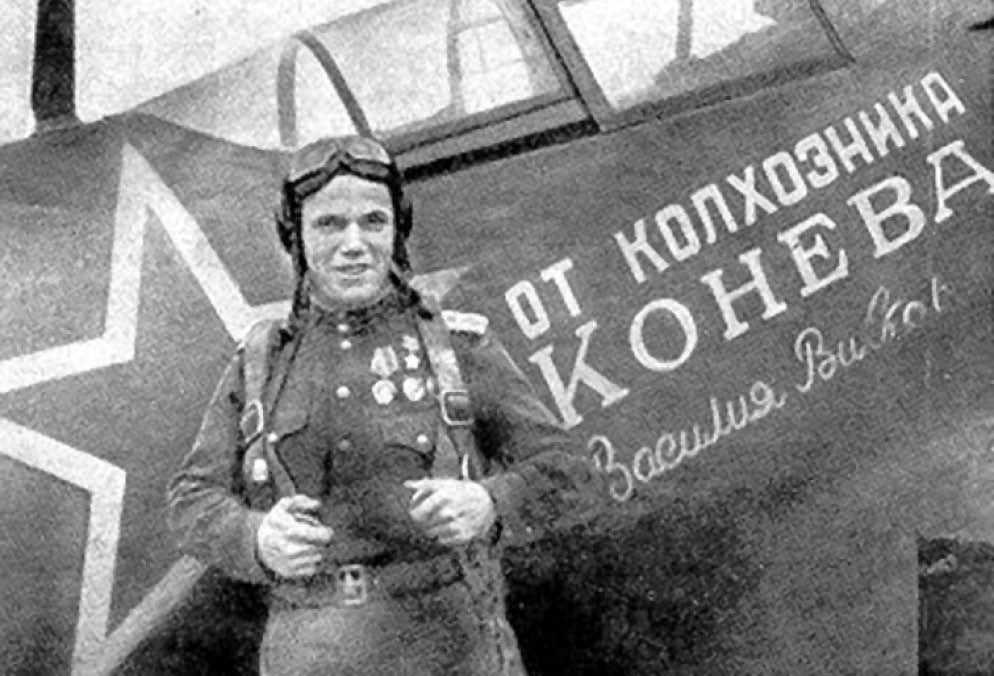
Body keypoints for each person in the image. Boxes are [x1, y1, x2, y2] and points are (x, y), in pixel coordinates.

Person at [166, 135, 604, 675]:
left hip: (451, 645)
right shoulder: (260, 362)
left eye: (373, 222)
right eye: (329, 225)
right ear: (297, 238)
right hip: (312, 653)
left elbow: (570, 470)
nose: (354, 244)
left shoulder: (457, 347)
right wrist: (255, 538)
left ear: (396, 230)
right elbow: (191, 499)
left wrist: (490, 503)